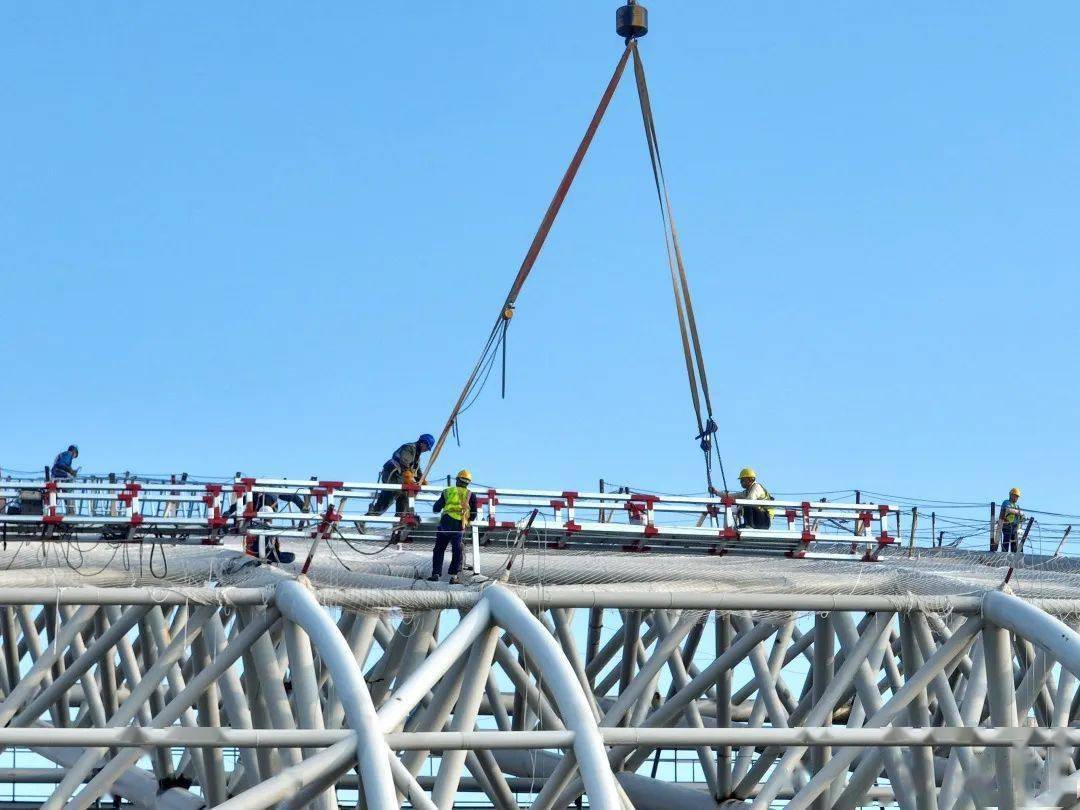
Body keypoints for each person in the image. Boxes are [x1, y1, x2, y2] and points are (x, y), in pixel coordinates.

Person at [366, 434, 435, 517]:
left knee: (405, 495)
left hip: (400, 476)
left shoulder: (416, 455)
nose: (427, 450)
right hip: (392, 473)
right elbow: (404, 464)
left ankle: (401, 518)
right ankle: (373, 513)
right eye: (427, 447)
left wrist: (422, 480)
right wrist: (408, 477)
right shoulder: (409, 448)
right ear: (422, 443)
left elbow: (416, 470)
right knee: (393, 492)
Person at [428, 469, 477, 584]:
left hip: (445, 524)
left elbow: (436, 508)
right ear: (468, 483)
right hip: (459, 525)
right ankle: (454, 576)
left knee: (439, 549)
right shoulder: (471, 495)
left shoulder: (447, 491)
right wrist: (468, 520)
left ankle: (435, 574)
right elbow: (474, 514)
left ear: (457, 480)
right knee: (457, 550)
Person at [51, 445, 80, 515]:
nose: (73, 458)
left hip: (56, 475)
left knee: (55, 494)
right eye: (74, 456)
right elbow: (62, 464)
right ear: (74, 452)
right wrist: (71, 471)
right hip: (60, 475)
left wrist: (71, 470)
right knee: (68, 491)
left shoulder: (62, 454)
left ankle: (51, 511)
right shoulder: (68, 454)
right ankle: (71, 511)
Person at [999, 487, 1023, 553]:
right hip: (1007, 525)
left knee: (1014, 544)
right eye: (1015, 496)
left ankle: (1014, 556)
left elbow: (1020, 517)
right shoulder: (1006, 502)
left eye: (1017, 497)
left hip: (1015, 527)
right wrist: (1018, 512)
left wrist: (1023, 516)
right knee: (1006, 541)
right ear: (1011, 495)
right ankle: (1004, 555)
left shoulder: (1017, 506)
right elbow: (1008, 509)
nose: (1016, 498)